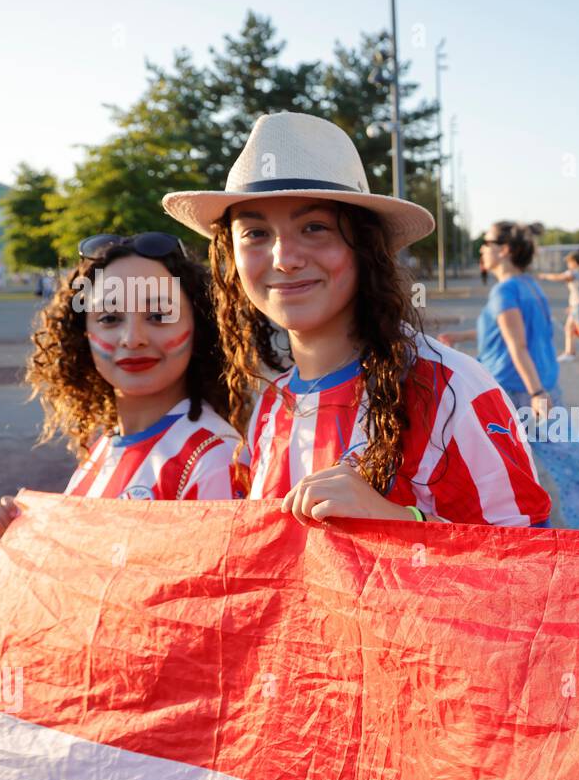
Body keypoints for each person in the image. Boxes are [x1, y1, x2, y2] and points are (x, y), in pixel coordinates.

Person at [162, 111, 550, 528]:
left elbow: (529, 566)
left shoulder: (452, 391)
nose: (284, 259)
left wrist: (401, 521)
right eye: (256, 233)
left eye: (314, 227)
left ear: (365, 246)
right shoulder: (269, 407)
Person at [0, 233, 249, 547]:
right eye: (109, 318)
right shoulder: (105, 446)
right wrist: (24, 539)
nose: (132, 338)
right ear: (83, 335)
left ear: (200, 327)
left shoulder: (212, 457)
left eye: (158, 316)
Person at [438, 222, 579, 529]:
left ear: (504, 250)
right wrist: (461, 336)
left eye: (486, 243)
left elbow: (517, 345)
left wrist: (537, 394)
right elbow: (508, 332)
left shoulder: (505, 290)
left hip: (517, 392)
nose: (481, 250)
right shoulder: (527, 285)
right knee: (564, 464)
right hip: (535, 387)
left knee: (512, 474)